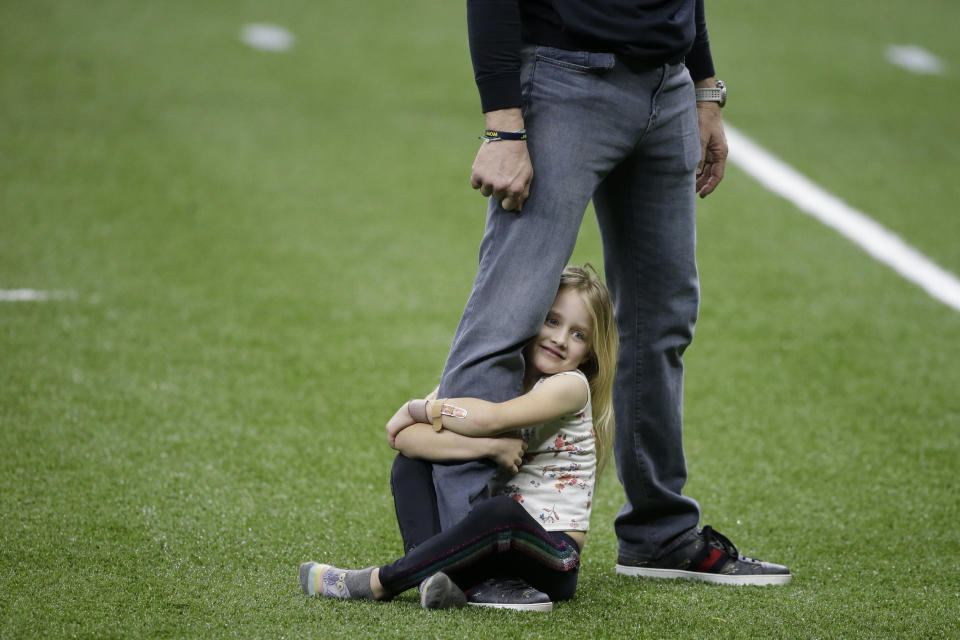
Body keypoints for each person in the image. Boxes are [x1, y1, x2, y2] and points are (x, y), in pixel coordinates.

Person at [425, 0, 790, 598]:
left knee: (661, 322)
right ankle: (465, 551)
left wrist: (703, 87)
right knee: (509, 316)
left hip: (668, 87)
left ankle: (659, 533)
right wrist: (503, 125)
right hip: (565, 81)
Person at [299, 265, 618, 611]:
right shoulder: (502, 371)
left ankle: (376, 583)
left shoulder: (571, 386)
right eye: (552, 321)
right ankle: (436, 584)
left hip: (550, 557)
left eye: (578, 335)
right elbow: (405, 440)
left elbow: (489, 418)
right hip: (488, 546)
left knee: (501, 512)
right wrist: (489, 447)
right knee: (412, 466)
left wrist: (419, 408)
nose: (560, 338)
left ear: (589, 353)